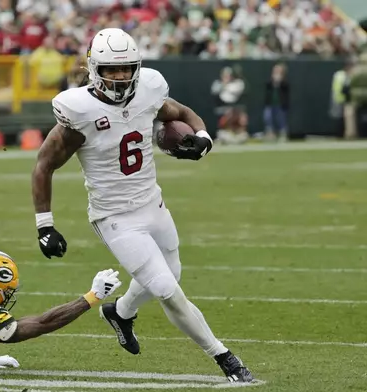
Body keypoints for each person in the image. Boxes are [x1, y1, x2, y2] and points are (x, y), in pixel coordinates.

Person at [31, 28, 253, 383]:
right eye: (112, 69)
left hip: (153, 202)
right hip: (115, 216)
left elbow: (181, 112)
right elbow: (44, 165)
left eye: (126, 68)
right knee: (166, 288)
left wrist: (203, 138)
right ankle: (226, 359)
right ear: (93, 68)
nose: (120, 77)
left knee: (171, 273)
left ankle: (120, 312)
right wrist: (45, 225)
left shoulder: (148, 90)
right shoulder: (79, 111)